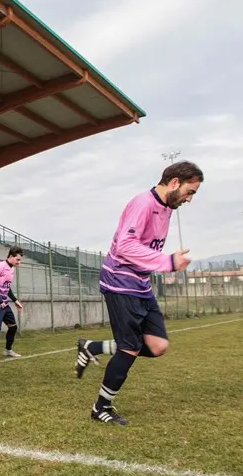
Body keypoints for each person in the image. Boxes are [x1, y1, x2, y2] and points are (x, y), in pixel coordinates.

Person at [77, 161, 202, 425]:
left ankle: (92, 347)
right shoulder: (143, 203)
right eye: (190, 192)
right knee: (130, 348)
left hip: (141, 285)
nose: (190, 199)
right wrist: (167, 262)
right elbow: (125, 246)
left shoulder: (166, 208)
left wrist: (160, 265)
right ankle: (101, 407)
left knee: (158, 346)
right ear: (175, 183)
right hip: (120, 282)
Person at [0, 246, 24, 357]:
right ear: (11, 256)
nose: (19, 262)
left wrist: (15, 300)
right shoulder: (1, 266)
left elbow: (7, 287)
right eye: (18, 259)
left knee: (13, 327)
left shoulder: (12, 269)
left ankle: (8, 350)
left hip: (5, 304)